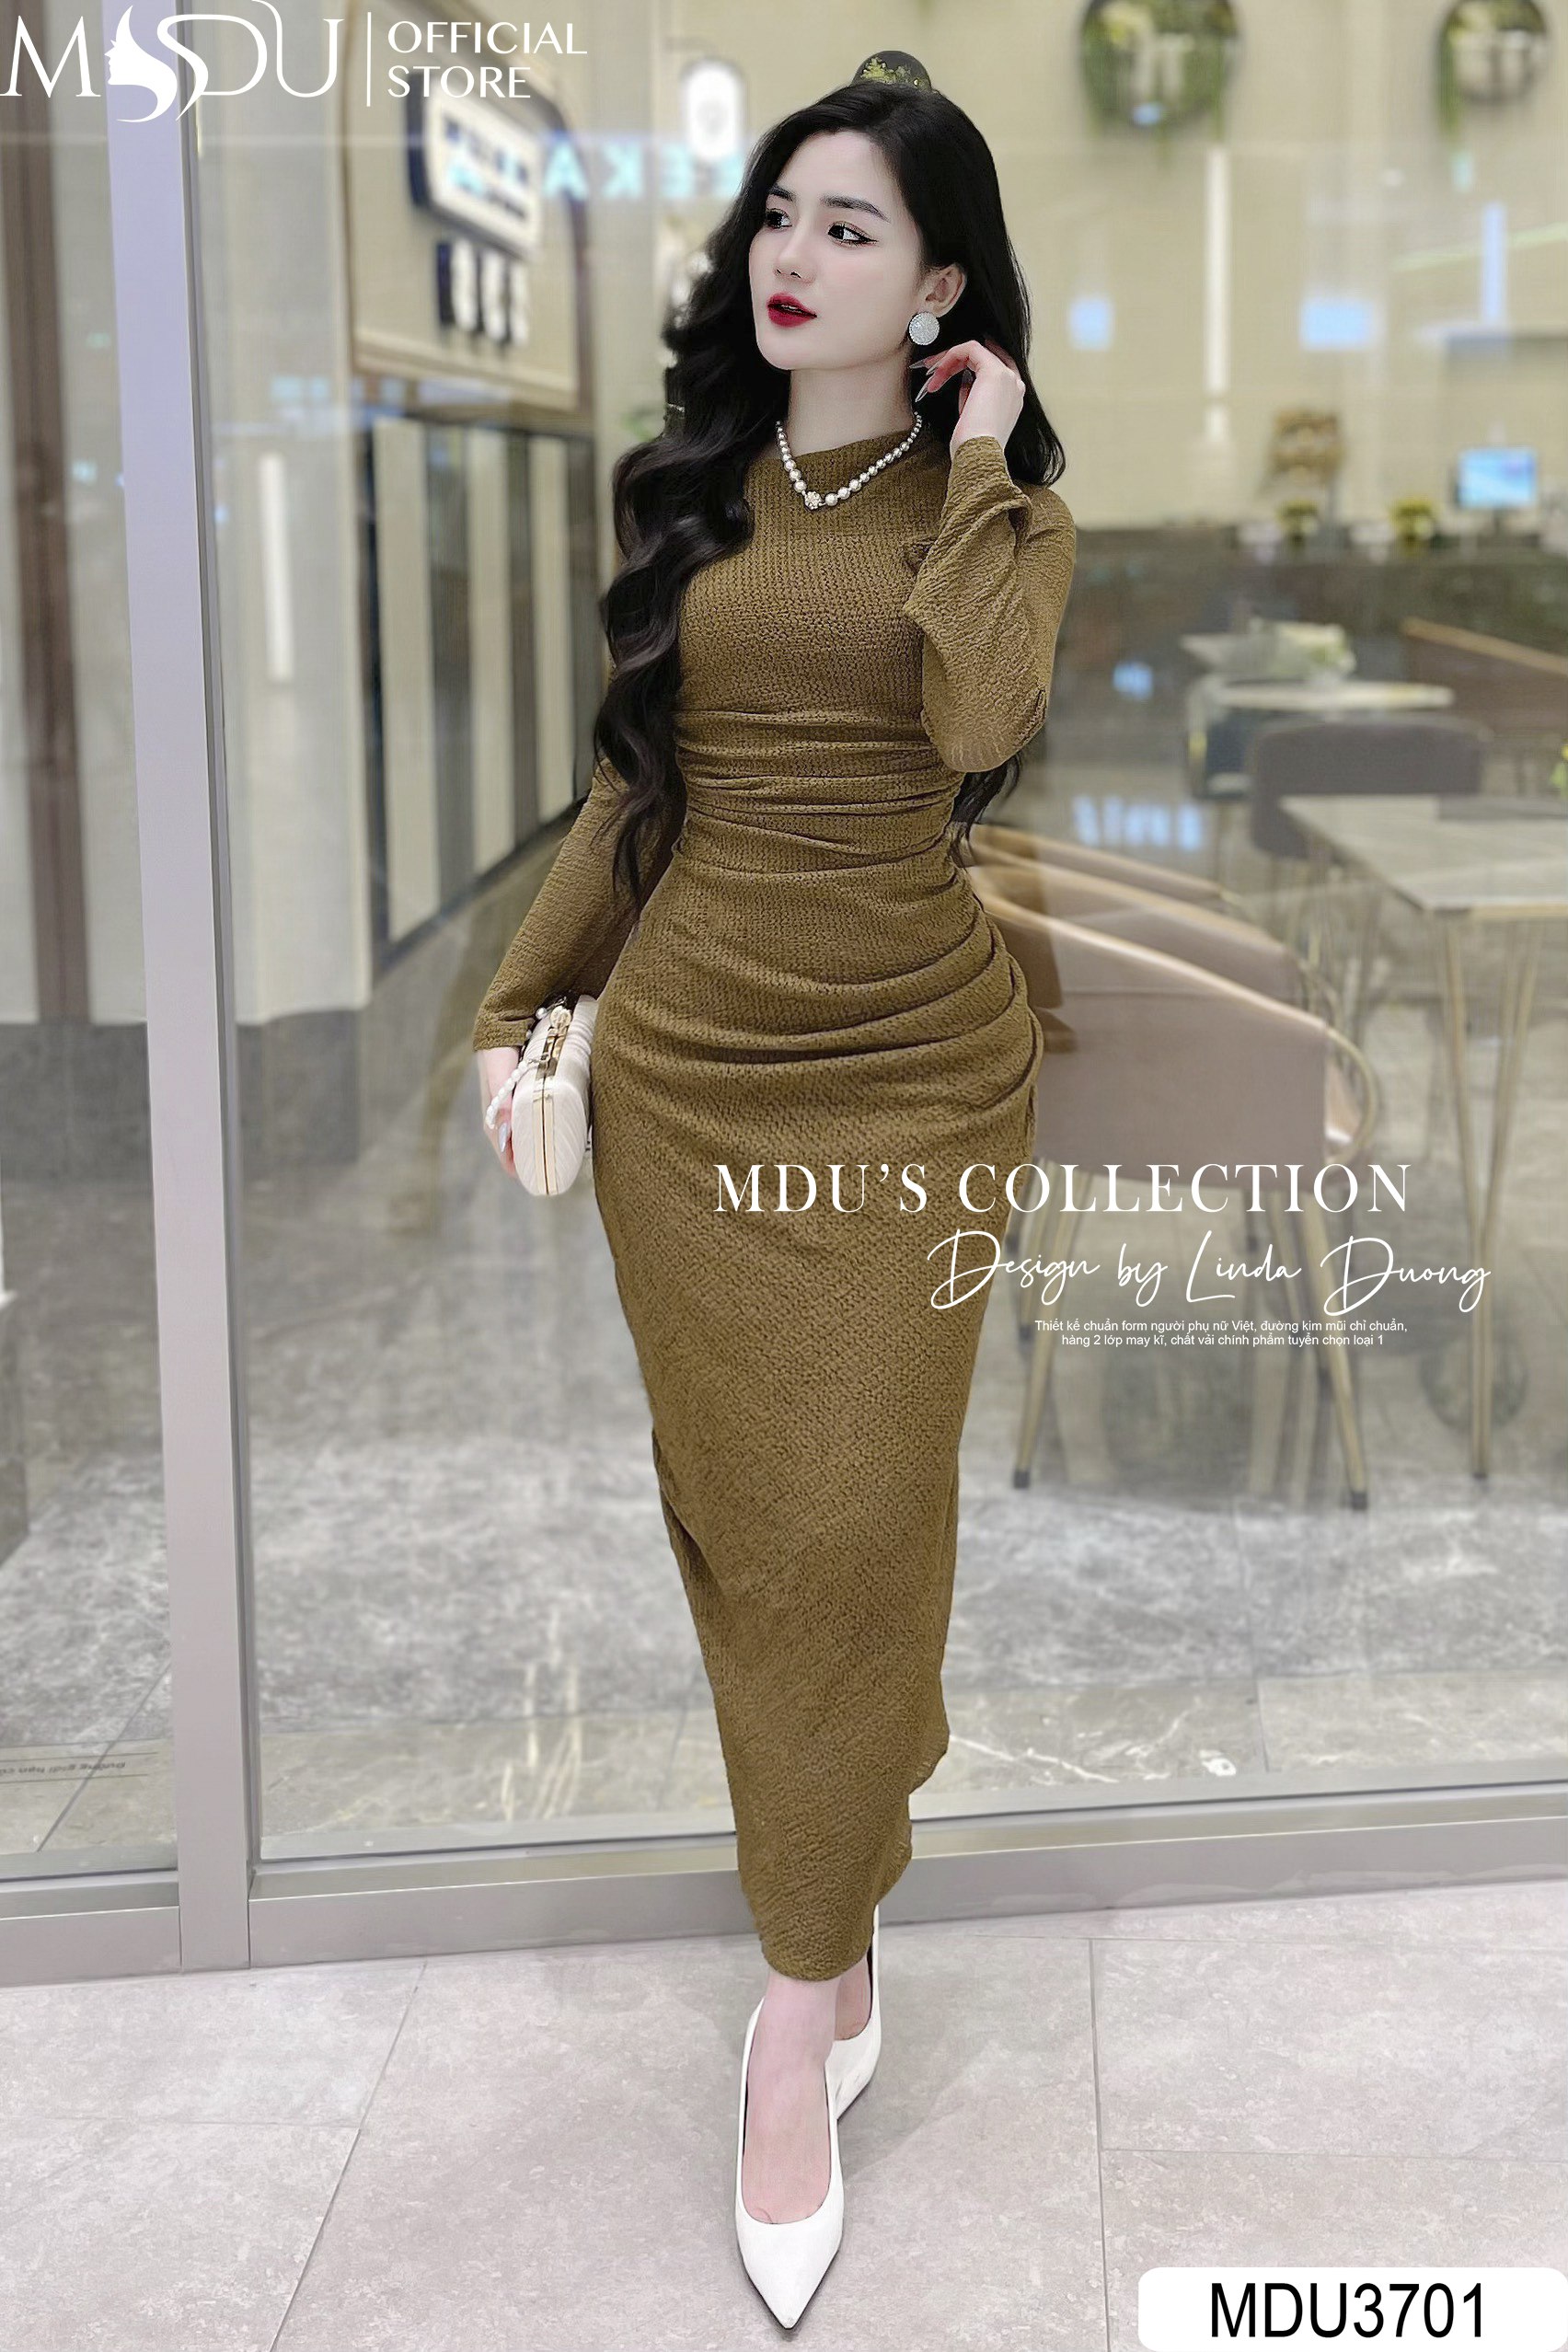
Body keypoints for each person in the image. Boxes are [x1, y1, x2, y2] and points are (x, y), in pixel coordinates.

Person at [472, 54, 1076, 2325]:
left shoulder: (997, 516)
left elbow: (972, 722)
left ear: (938, 286)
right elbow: (632, 799)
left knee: (857, 1524)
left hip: (916, 1077)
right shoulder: (699, 499)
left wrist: (985, 459)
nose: (793, 256)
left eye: (851, 226)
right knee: (758, 1528)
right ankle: (829, 1927)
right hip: (695, 1088)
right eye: (780, 217)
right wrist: (521, 1006)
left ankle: (797, 2006)